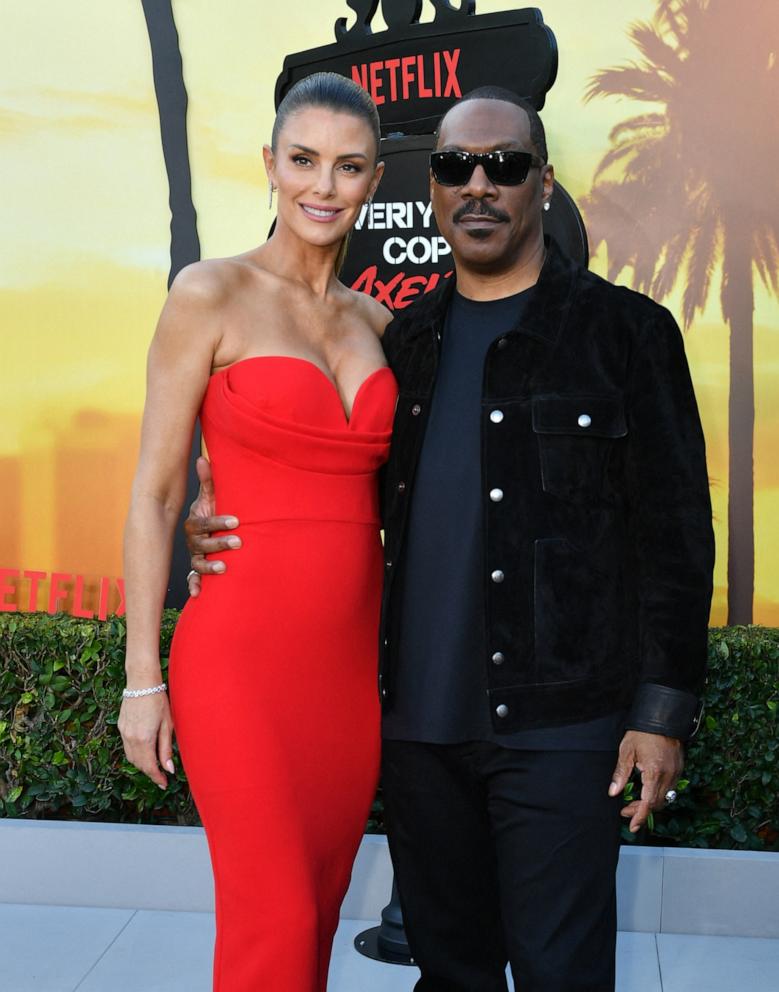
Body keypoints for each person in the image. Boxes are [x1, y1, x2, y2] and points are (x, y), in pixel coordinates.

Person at [185, 86, 715, 992]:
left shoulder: (625, 335)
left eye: (504, 166)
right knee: (450, 972)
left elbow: (675, 535)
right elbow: (320, 466)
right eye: (455, 167)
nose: (479, 185)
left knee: (561, 974)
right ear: (431, 189)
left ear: (541, 185)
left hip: (562, 728)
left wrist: (658, 717)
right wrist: (213, 509)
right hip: (417, 731)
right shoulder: (403, 341)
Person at [118, 72, 394, 992]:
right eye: (305, 160)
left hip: (348, 677)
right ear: (270, 165)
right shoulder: (210, 292)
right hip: (237, 658)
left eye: (347, 167)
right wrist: (140, 682)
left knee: (315, 910)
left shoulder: (381, 324)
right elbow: (158, 494)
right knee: (273, 916)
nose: (323, 186)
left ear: (372, 178)